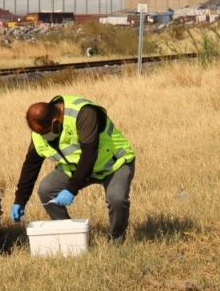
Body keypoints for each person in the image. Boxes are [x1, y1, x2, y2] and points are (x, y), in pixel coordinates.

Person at [9, 94, 136, 242]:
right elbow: (31, 165)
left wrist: (71, 189)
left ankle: (116, 240)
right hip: (76, 168)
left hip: (114, 164)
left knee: (117, 199)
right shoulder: (40, 131)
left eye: (44, 133)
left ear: (55, 122)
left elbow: (89, 154)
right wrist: (20, 200)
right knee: (46, 190)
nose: (42, 137)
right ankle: (72, 237)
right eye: (39, 133)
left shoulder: (83, 113)